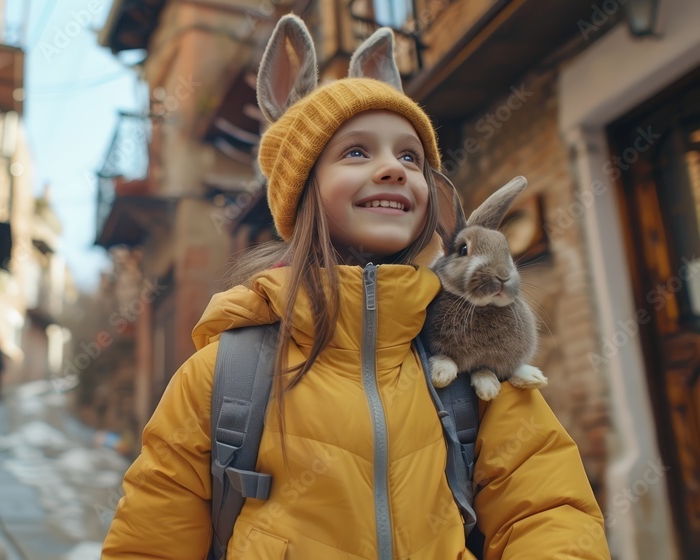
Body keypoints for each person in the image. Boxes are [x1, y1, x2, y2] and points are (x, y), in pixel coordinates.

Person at [101, 16, 608, 560]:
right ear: (300, 190)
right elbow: (149, 542)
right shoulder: (223, 375)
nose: (393, 169)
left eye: (409, 156)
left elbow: (548, 507)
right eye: (357, 152)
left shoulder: (464, 354)